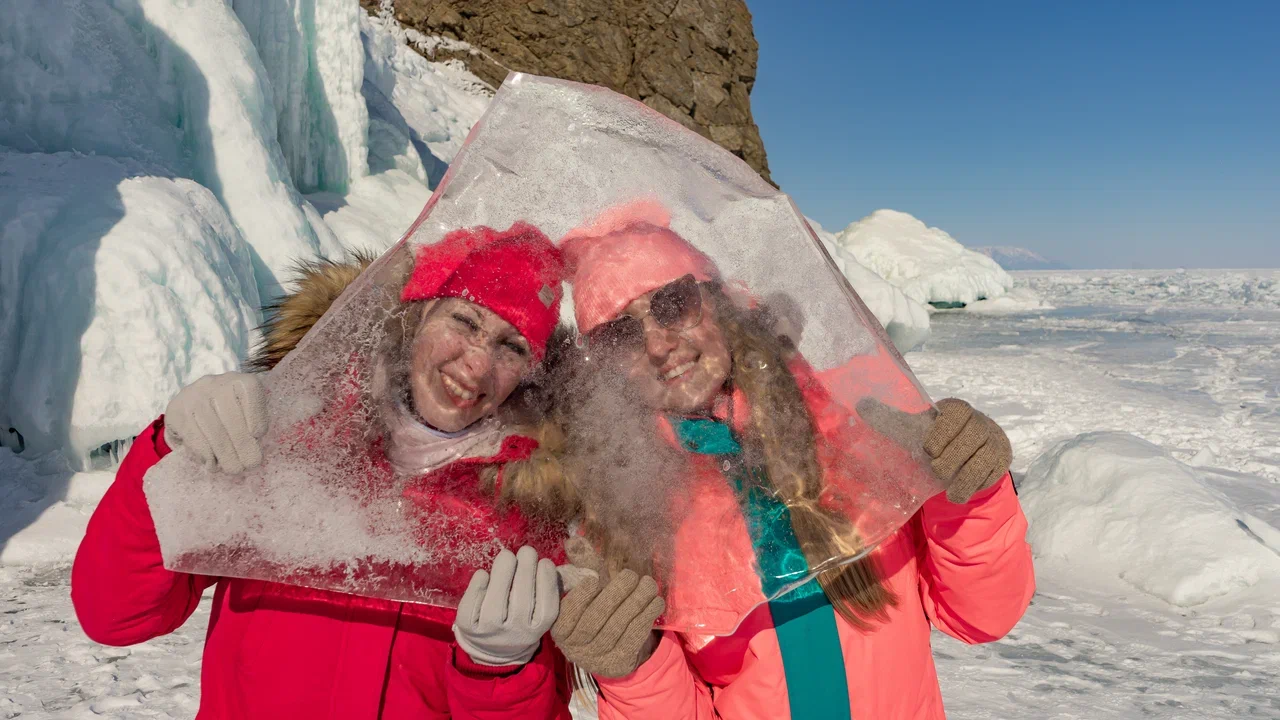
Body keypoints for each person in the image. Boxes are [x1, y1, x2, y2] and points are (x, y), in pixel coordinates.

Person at [545, 201, 1036, 719]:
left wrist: (971, 493)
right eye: (620, 335)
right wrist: (637, 669)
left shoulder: (854, 428)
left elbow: (981, 616)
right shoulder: (630, 508)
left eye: (673, 304)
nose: (659, 345)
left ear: (717, 304)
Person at [72, 223, 576, 719]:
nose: (477, 365)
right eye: (465, 321)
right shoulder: (291, 436)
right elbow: (115, 615)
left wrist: (501, 672)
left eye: (513, 347)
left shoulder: (530, 513)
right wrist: (171, 454)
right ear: (416, 316)